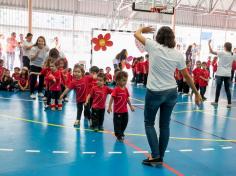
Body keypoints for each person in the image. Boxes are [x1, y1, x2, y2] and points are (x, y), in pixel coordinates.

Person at [134, 26, 201, 166]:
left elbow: (136, 34)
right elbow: (186, 76)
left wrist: (143, 29)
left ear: (158, 37)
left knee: (149, 123)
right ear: (172, 38)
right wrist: (196, 93)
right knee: (165, 126)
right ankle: (160, 156)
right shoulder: (177, 54)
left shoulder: (153, 46)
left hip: (155, 92)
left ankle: (156, 156)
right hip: (171, 92)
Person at [107, 71, 135, 142]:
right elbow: (112, 98)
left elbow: (127, 98)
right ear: (118, 80)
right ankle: (119, 135)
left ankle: (121, 132)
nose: (125, 82)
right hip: (117, 111)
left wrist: (131, 106)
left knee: (125, 122)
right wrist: (109, 107)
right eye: (123, 80)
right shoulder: (116, 89)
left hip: (125, 111)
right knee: (117, 124)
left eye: (125, 80)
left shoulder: (125, 89)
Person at [209, 40, 236, 108]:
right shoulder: (233, 54)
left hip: (220, 73)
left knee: (218, 88)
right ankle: (229, 103)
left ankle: (216, 102)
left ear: (225, 47)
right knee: (227, 89)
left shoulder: (222, 53)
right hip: (228, 74)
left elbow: (211, 51)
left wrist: (209, 44)